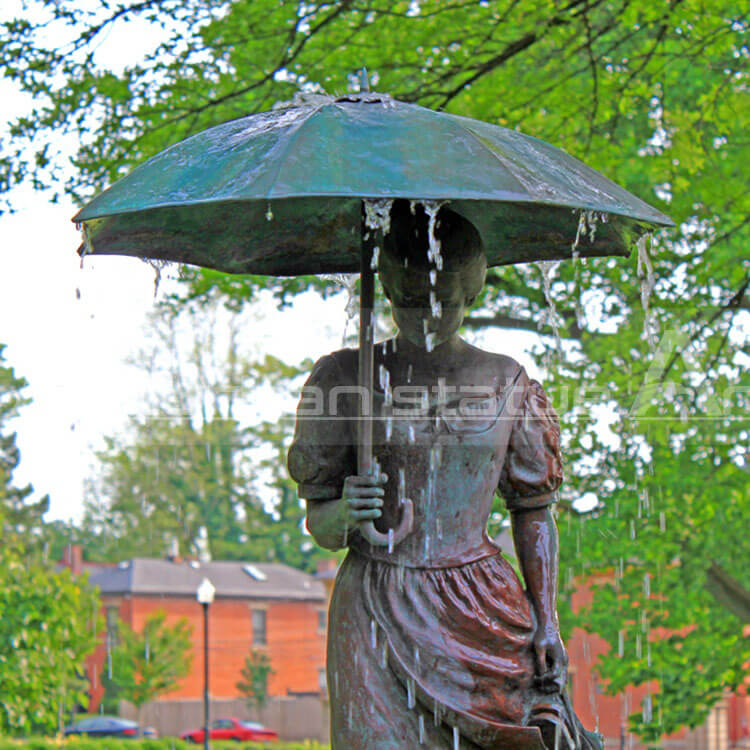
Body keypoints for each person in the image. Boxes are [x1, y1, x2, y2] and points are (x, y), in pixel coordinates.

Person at [287, 201, 602, 750]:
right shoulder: (343, 378)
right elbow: (321, 523)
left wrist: (546, 619)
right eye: (409, 301)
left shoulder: (507, 383)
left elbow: (534, 511)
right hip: (375, 602)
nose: (426, 316)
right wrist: (347, 511)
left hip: (480, 606)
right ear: (385, 290)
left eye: (445, 302)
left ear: (472, 293)